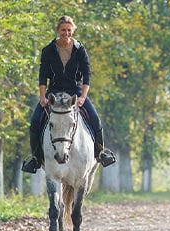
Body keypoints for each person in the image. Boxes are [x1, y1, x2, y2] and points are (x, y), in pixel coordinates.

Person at [22, 16, 116, 173]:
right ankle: (36, 159)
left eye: (69, 30)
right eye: (63, 30)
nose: (66, 33)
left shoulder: (80, 50)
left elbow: (87, 75)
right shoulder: (48, 50)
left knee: (95, 119)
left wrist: (83, 97)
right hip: (54, 92)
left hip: (75, 92)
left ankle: (100, 153)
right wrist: (43, 96)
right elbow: (42, 75)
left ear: (73, 30)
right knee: (35, 121)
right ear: (58, 31)